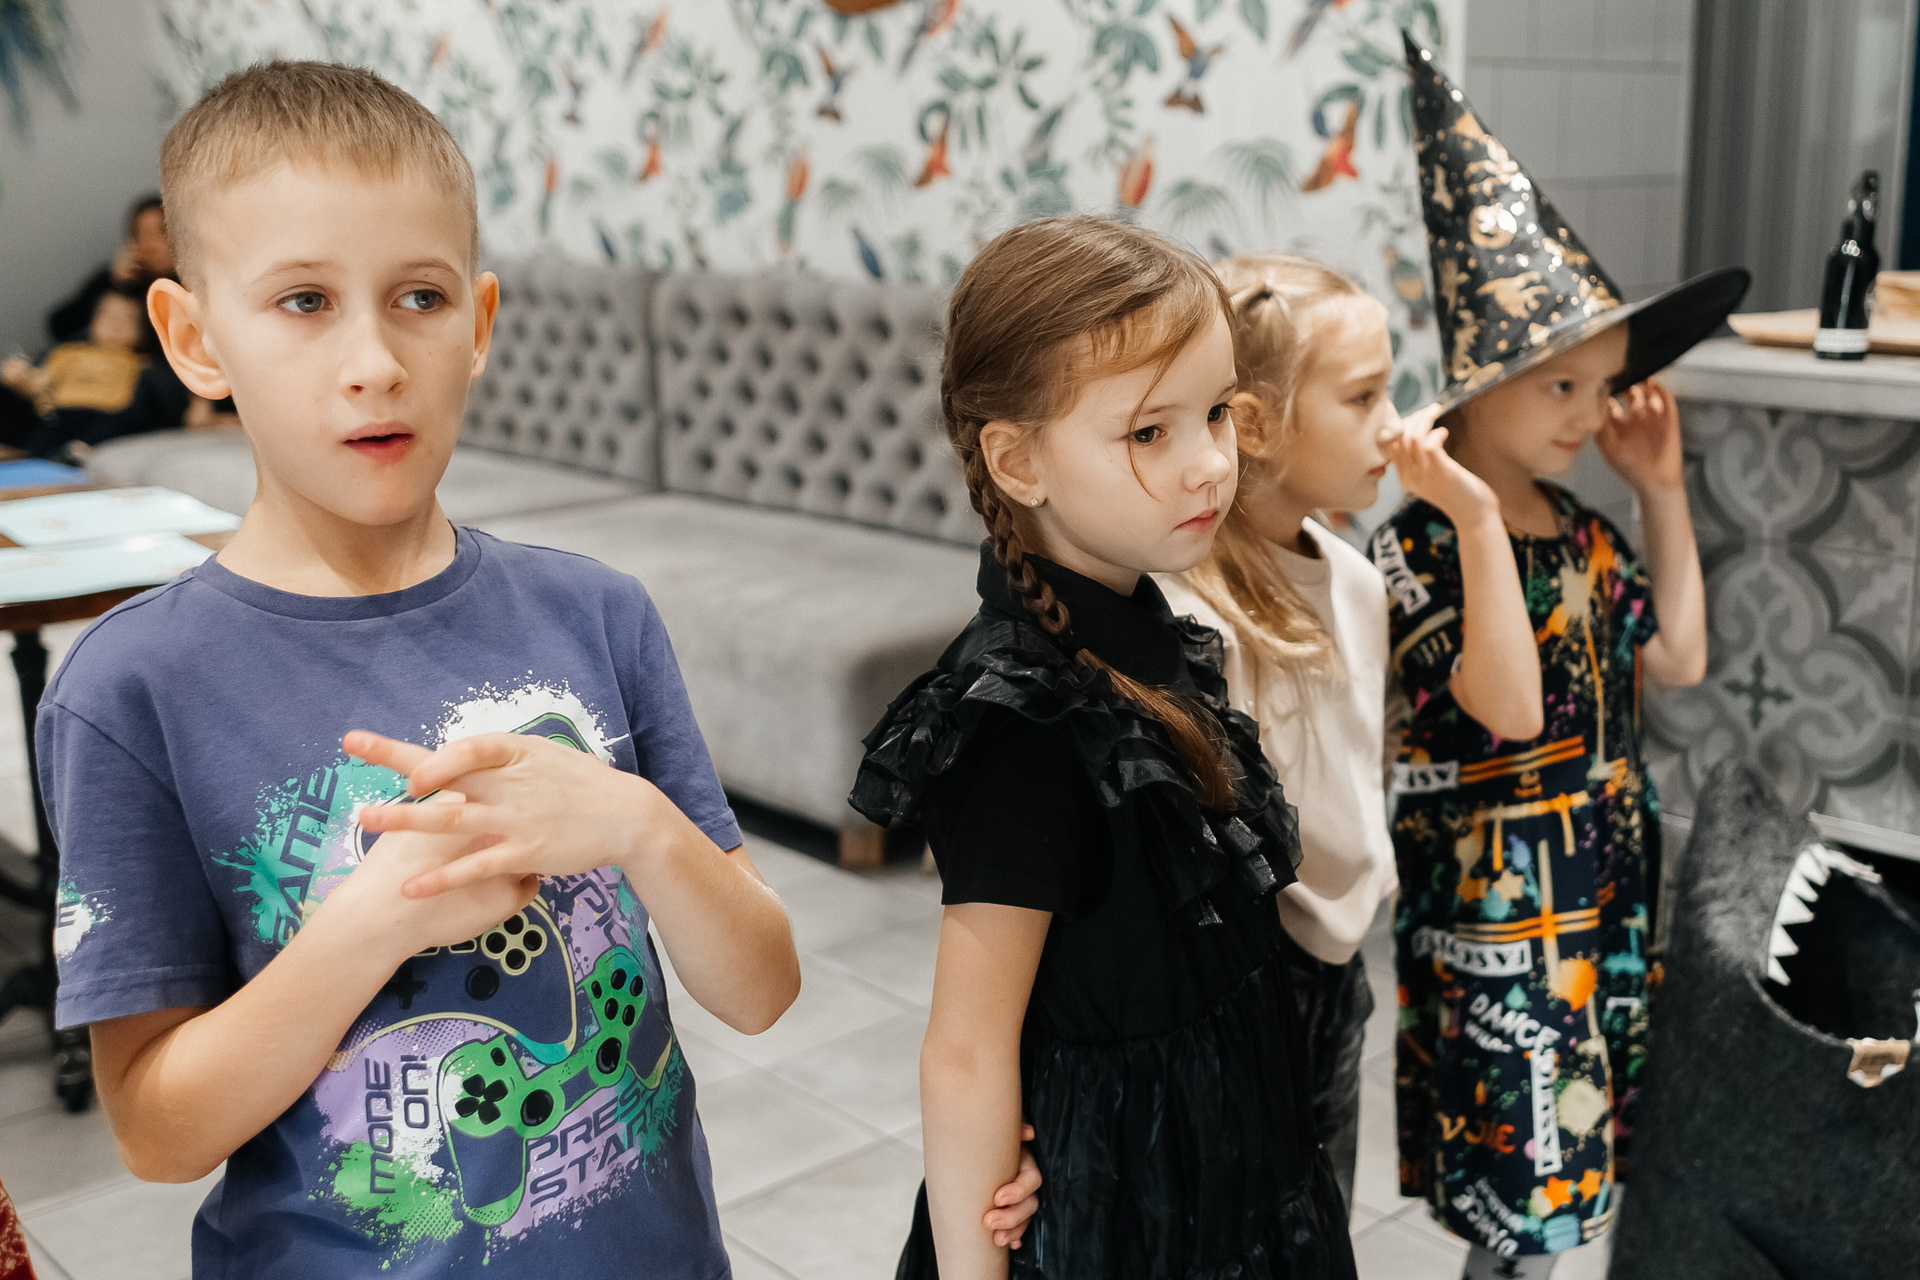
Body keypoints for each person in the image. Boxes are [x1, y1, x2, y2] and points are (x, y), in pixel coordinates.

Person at [38, 61, 816, 1278]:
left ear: (479, 323)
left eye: (419, 296)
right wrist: (370, 922)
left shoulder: (598, 611)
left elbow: (762, 988)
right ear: (194, 338)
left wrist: (640, 823)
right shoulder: (133, 688)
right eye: (304, 300)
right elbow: (155, 1130)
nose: (376, 361)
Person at [852, 215, 1357, 1280]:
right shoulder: (1025, 723)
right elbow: (965, 1050)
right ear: (1018, 460)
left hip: (1232, 1158)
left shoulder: (1145, 633)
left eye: (1216, 413)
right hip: (1121, 1210)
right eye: (1149, 434)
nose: (1210, 463)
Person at [1378, 37, 1747, 1278]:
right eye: (1561, 388)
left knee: (1571, 1165)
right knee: (1517, 1174)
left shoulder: (1586, 532)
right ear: (1472, 388)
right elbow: (1509, 706)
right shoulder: (1422, 547)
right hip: (1499, 916)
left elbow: (1679, 658)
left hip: (1603, 891)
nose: (1593, 415)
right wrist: (1477, 518)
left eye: (1606, 386)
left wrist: (1662, 491)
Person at [1156, 253, 1541, 1213]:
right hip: (1242, 980)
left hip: (1334, 969)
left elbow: (1491, 718)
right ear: (1255, 424)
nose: (1395, 424)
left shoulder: (1359, 581)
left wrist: (1477, 518)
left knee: (1321, 1219)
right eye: (1363, 396)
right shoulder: (1191, 614)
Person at [1, 288, 151, 455]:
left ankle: (77, 452)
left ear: (144, 333)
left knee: (115, 425)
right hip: (63, 412)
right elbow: (40, 383)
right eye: (109, 316)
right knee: (43, 436)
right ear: (92, 321)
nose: (116, 325)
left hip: (108, 414)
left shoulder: (140, 362)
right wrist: (21, 379)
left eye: (129, 319)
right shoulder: (68, 353)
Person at [45, 193, 173, 346]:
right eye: (140, 235)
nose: (149, 246)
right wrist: (114, 283)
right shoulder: (116, 280)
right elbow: (59, 326)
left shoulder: (190, 284)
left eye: (160, 233)